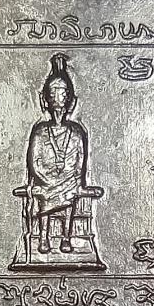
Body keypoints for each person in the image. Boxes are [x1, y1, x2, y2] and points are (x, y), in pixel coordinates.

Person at [26, 53, 102, 254]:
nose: (58, 99)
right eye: (53, 94)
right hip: (46, 181)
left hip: (69, 181)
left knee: (70, 193)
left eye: (63, 94)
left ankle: (66, 237)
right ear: (45, 100)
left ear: (71, 100)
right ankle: (44, 237)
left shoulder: (76, 132)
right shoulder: (40, 131)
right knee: (45, 193)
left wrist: (73, 180)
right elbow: (35, 162)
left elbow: (80, 162)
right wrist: (48, 180)